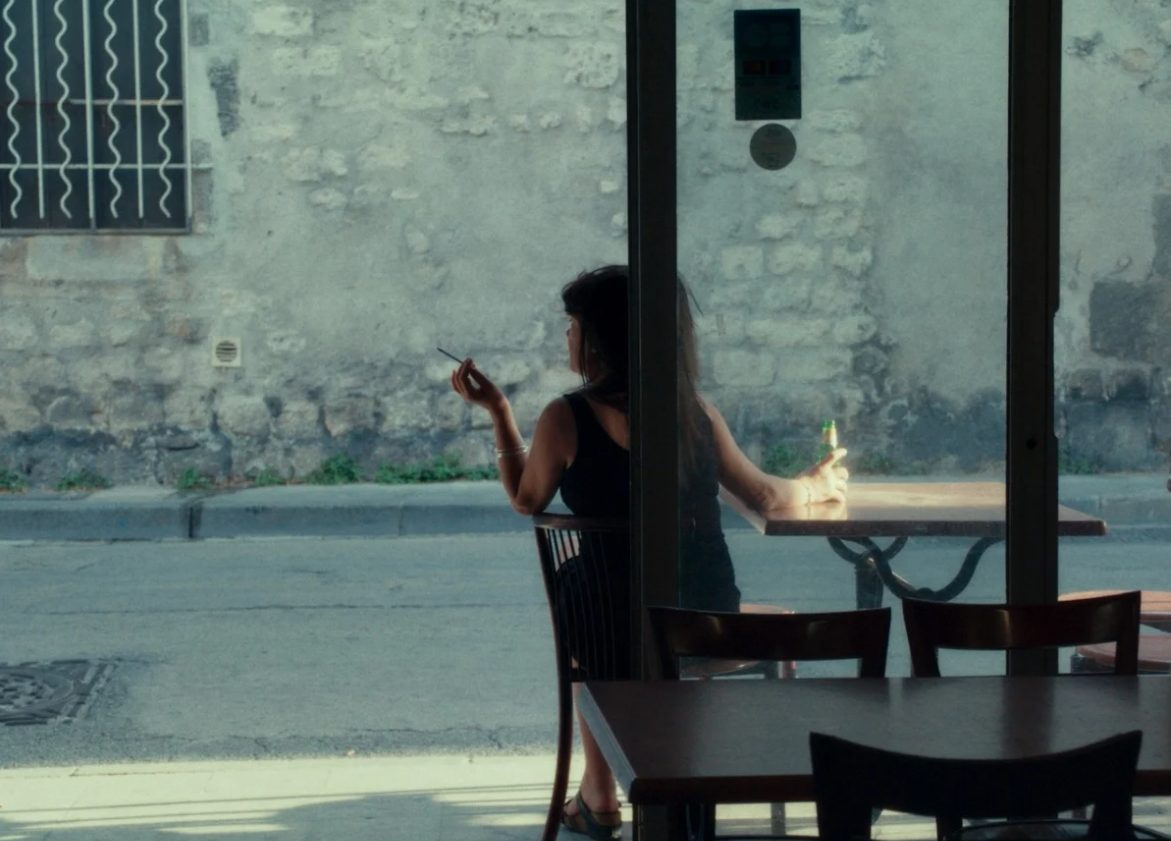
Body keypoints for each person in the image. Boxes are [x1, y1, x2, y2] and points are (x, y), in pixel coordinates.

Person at [449, 264, 847, 840]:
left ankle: (598, 794)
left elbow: (524, 497)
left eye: (573, 325)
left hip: (611, 632)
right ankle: (668, 777)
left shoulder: (567, 418)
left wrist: (500, 414)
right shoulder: (694, 414)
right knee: (636, 613)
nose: (567, 337)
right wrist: (816, 486)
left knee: (584, 610)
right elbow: (763, 494)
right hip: (706, 623)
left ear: (602, 338)